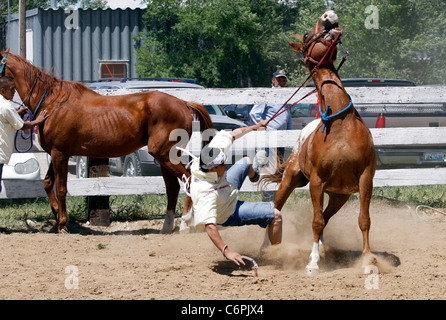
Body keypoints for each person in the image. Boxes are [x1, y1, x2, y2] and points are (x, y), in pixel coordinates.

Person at [185, 120, 282, 266]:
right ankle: (274, 257)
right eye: (223, 165)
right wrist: (226, 251)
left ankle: (254, 173)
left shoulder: (212, 153)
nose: (226, 165)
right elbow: (210, 226)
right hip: (227, 212)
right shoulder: (204, 191)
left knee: (246, 161)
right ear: (212, 169)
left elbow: (232, 135)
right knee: (276, 216)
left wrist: (254, 127)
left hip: (225, 186)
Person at [249, 70, 292, 201]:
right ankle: (267, 200)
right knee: (270, 168)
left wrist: (289, 134)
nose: (282, 82)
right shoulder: (267, 94)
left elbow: (287, 117)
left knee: (279, 169)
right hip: (270, 137)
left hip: (281, 138)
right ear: (273, 80)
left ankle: (274, 199)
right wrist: (264, 128)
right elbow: (254, 113)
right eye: (279, 79)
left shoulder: (287, 96)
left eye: (284, 80)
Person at [0, 77, 48, 192]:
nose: (14, 92)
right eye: (11, 89)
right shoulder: (6, 107)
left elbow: (4, 116)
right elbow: (22, 126)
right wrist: (37, 121)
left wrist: (16, 113)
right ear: (2, 90)